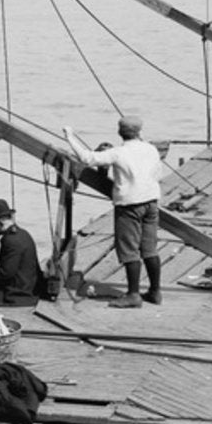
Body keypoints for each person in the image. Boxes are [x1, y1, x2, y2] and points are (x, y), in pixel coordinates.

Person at [63, 116, 162, 308]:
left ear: (120, 133)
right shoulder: (151, 149)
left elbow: (87, 158)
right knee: (149, 249)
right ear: (140, 132)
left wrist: (70, 137)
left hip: (130, 206)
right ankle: (155, 292)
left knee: (129, 250)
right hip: (151, 202)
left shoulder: (118, 153)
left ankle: (133, 295)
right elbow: (157, 172)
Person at [0, 199, 43, 307]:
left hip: (18, 294)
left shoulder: (11, 240)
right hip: (29, 287)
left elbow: (6, 273)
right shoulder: (23, 233)